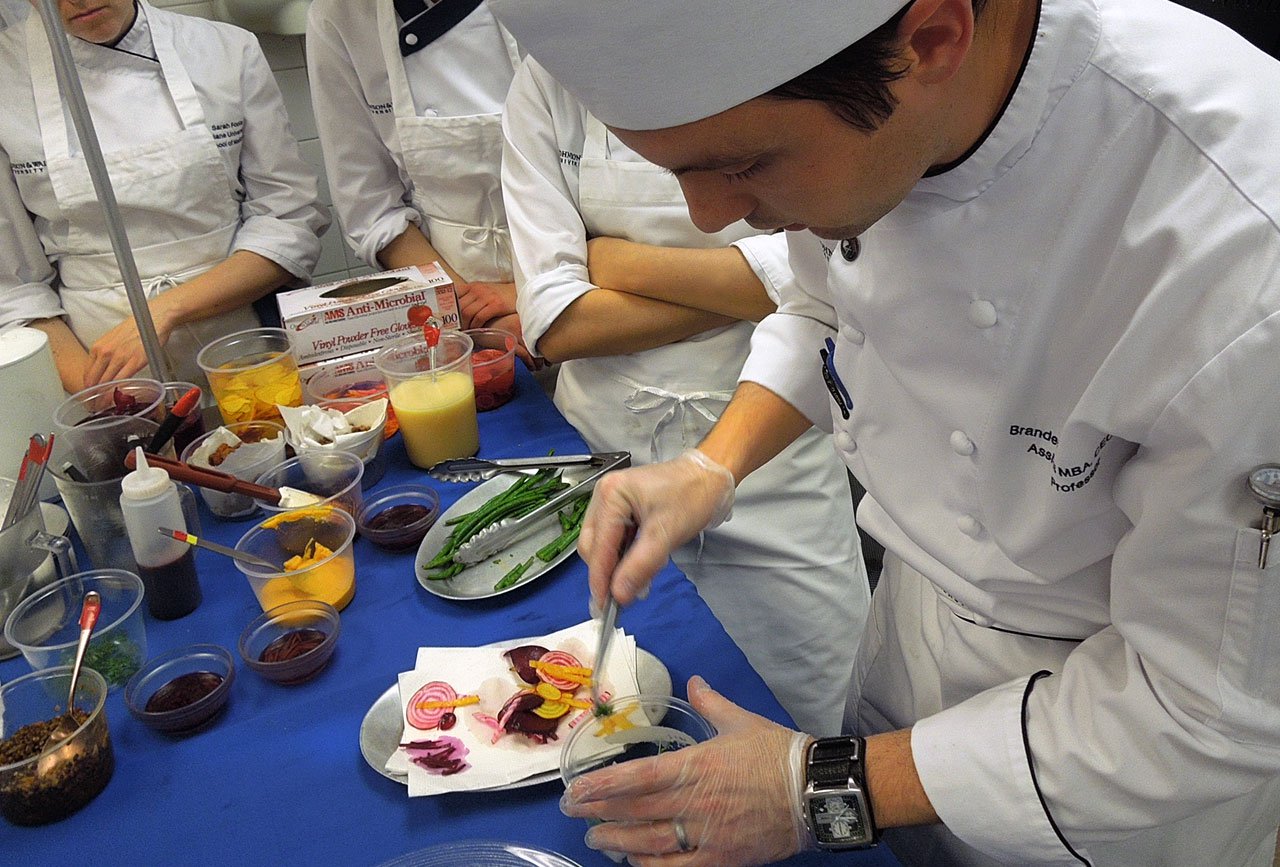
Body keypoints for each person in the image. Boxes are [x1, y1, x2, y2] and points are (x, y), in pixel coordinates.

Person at [490, 0, 1280, 865]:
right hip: (909, 631)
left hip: (1111, 758)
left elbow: (1204, 704)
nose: (712, 218)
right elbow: (828, 303)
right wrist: (712, 466)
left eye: (744, 163)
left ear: (934, 41)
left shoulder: (1239, 244)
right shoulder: (874, 119)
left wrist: (817, 787)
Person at [501, 57, 871, 737]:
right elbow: (557, 322)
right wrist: (741, 291)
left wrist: (616, 260)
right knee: (608, 722)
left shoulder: (773, 42)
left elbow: (813, 288)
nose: (707, 212)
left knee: (818, 726)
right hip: (603, 465)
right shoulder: (548, 75)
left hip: (776, 465)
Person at [0, 0, 328, 392]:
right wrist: (103, 399)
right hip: (95, 367)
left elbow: (289, 219)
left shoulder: (225, 49)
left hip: (248, 348)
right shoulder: (7, 76)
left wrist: (165, 310)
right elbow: (15, 288)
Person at [305, 0, 534, 363]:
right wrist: (476, 314)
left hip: (587, 279)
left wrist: (534, 297)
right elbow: (372, 209)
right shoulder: (340, 15)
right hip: (453, 306)